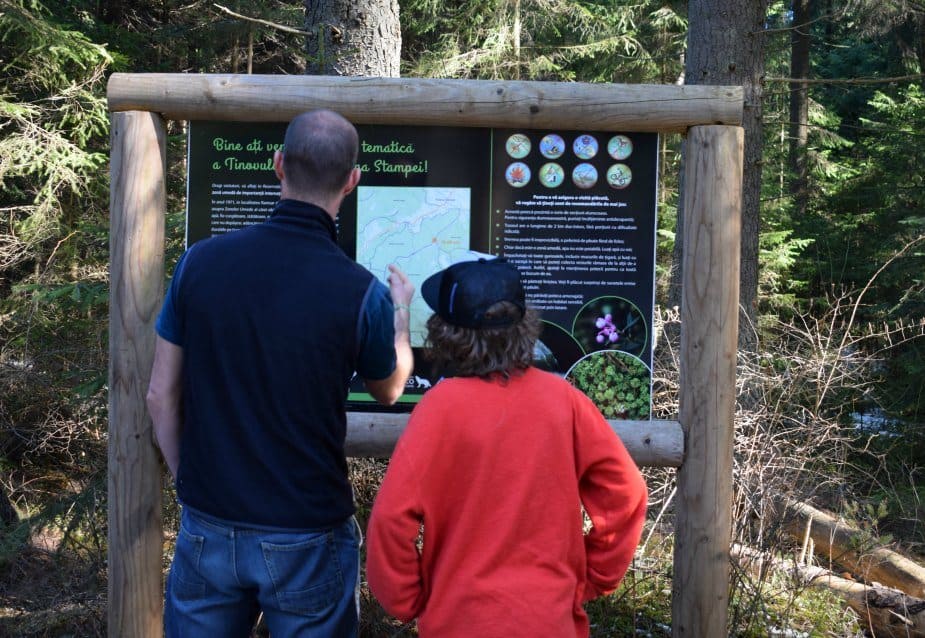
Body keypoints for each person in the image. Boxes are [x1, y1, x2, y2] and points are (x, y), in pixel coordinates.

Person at [146, 109, 414, 638]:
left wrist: (190, 485)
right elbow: (390, 389)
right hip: (308, 530)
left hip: (208, 522)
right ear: (352, 181)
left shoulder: (199, 264)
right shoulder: (362, 292)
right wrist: (400, 313)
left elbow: (160, 395)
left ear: (278, 165)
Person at [365, 257, 648, 638]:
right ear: (526, 326)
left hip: (460, 622)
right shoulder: (563, 400)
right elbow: (627, 494)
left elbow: (390, 520)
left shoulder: (439, 409)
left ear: (445, 332)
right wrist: (592, 576)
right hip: (549, 621)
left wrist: (407, 601)